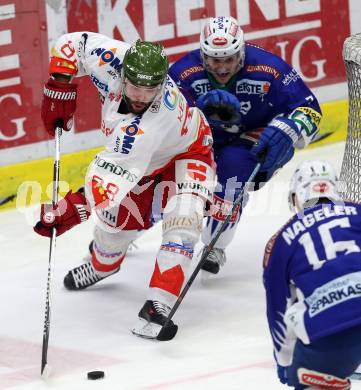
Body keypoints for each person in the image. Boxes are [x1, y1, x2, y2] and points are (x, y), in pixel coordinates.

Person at [34, 32, 215, 339]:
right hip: (139, 161)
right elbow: (73, 44)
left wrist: (71, 209)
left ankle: (158, 304)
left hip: (188, 151)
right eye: (135, 86)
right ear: (123, 74)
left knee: (183, 223)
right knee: (113, 230)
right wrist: (59, 86)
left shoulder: (153, 120)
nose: (141, 96)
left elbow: (110, 179)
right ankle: (103, 265)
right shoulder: (114, 58)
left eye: (151, 89)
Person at [169, 16, 322, 275]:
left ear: (241, 51)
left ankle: (214, 245)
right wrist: (196, 111)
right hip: (200, 136)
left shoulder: (269, 67)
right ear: (203, 55)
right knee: (169, 185)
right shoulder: (183, 72)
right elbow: (164, 117)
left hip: (249, 133)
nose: (222, 67)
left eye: (228, 59)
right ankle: (122, 234)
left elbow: (309, 108)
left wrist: (288, 128)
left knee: (233, 176)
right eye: (215, 60)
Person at [263, 160, 361, 389]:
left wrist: (285, 362)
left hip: (331, 331)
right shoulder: (358, 212)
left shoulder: (281, 241)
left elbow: (278, 308)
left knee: (302, 376)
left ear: (296, 196)